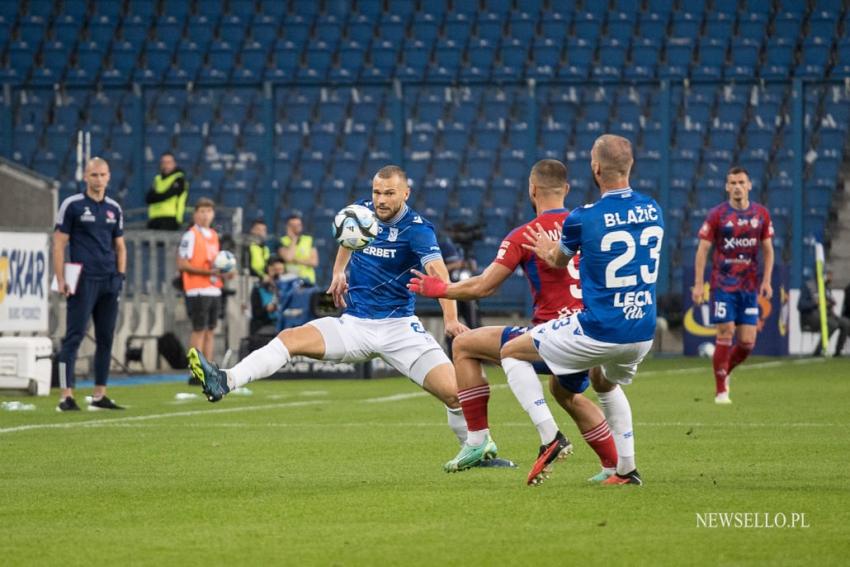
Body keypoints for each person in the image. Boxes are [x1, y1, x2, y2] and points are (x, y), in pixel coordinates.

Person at [188, 165, 472, 451]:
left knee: (456, 395)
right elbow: (347, 240)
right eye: (376, 192)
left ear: (405, 193)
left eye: (389, 193)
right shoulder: (360, 212)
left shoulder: (417, 230)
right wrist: (338, 272)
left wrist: (450, 320)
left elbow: (440, 275)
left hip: (399, 328)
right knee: (289, 338)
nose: (381, 200)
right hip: (354, 325)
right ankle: (225, 380)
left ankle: (475, 450)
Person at [409, 159, 619, 485]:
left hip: (550, 336)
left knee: (464, 344)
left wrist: (443, 289)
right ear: (566, 189)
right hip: (592, 332)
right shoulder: (590, 225)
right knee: (566, 394)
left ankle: (479, 441)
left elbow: (485, 286)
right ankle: (614, 467)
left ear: (532, 190)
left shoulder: (526, 234)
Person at [501, 134, 664, 486]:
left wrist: (547, 248)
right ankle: (625, 470)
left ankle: (550, 437)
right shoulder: (654, 209)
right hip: (643, 330)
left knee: (511, 351)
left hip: (600, 328)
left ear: (596, 168)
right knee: (603, 382)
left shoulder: (583, 217)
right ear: (630, 165)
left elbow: (559, 261)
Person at [691, 166, 774, 404]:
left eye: (741, 182)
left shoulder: (761, 214)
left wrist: (767, 280)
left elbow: (768, 250)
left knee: (747, 343)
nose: (737, 186)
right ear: (727, 187)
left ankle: (724, 371)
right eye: (733, 183)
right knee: (725, 331)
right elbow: (702, 250)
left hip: (748, 287)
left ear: (749, 185)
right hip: (722, 285)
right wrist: (699, 284)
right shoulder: (717, 215)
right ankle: (721, 391)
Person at [53, 157, 127, 411]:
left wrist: (120, 275)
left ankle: (99, 394)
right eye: (93, 175)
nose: (98, 179)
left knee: (106, 338)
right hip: (83, 279)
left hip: (109, 280)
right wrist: (61, 278)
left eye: (102, 175)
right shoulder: (72, 205)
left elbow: (120, 245)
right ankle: (66, 396)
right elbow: (59, 243)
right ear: (85, 177)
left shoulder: (114, 208)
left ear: (109, 177)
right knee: (74, 336)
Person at [177, 198, 234, 372]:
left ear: (213, 214)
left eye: (208, 211)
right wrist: (210, 273)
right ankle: (196, 370)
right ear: (195, 214)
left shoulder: (214, 236)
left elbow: (214, 264)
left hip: (214, 289)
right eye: (201, 211)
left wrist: (226, 272)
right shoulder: (191, 235)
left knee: (210, 330)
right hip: (197, 290)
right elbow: (182, 264)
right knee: (199, 330)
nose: (205, 215)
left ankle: (208, 370)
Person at [798, 269, 849, 357]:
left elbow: (829, 302)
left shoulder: (825, 287)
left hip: (827, 316)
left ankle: (838, 352)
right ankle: (818, 352)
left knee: (846, 323)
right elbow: (800, 305)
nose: (829, 277)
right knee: (832, 324)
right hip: (810, 317)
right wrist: (816, 303)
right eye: (827, 275)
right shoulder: (809, 286)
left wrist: (830, 303)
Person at [146, 152, 189, 230]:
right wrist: (159, 196)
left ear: (174, 163)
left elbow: (167, 195)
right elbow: (148, 199)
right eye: (163, 162)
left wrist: (156, 196)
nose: (166, 165)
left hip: (171, 218)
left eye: (169, 162)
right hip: (154, 218)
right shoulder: (157, 179)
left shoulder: (179, 179)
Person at [278, 214, 318, 284]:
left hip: (308, 280)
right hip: (290, 282)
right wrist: (294, 239)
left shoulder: (308, 240)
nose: (296, 227)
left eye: (298, 225)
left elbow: (314, 262)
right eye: (293, 225)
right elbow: (288, 258)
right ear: (287, 227)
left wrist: (295, 260)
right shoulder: (282, 241)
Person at [250, 257, 284, 335]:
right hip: (265, 325)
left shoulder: (287, 288)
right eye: (275, 271)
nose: (278, 275)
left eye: (281, 271)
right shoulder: (259, 288)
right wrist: (267, 309)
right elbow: (256, 313)